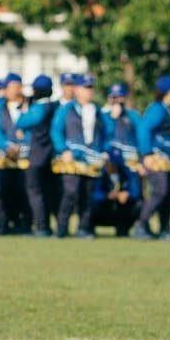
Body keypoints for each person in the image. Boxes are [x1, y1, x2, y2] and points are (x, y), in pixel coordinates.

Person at [52, 75, 107, 238]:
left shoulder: (97, 110)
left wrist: (104, 150)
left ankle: (84, 228)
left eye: (91, 88)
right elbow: (56, 130)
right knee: (70, 192)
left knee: (87, 194)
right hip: (72, 159)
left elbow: (105, 133)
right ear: (77, 89)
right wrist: (63, 150)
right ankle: (61, 228)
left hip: (92, 160)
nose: (89, 91)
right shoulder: (67, 109)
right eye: (85, 88)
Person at [134, 75, 170, 240]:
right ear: (169, 92)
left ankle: (165, 229)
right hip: (156, 158)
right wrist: (146, 154)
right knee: (160, 192)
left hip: (169, 160)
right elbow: (144, 130)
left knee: (168, 194)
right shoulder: (157, 109)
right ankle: (141, 224)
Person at [16, 74, 59, 236]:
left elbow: (21, 122)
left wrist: (26, 107)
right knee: (48, 192)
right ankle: (49, 225)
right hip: (51, 156)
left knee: (35, 192)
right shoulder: (56, 107)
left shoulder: (39, 108)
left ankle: (42, 227)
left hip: (37, 156)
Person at [0, 73, 31, 235]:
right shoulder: (0, 108)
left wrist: (21, 147)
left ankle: (24, 224)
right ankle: (3, 224)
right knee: (3, 193)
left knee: (24, 193)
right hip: (5, 158)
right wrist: (6, 146)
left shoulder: (30, 107)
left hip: (25, 158)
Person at [91, 148, 142, 237]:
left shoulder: (127, 173)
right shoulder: (100, 174)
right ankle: (87, 228)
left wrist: (127, 194)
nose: (114, 166)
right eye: (111, 163)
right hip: (103, 211)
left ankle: (123, 228)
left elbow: (136, 193)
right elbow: (94, 195)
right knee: (89, 204)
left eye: (116, 163)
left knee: (139, 204)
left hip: (120, 210)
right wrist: (106, 196)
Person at [104, 83, 142, 172]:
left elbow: (140, 137)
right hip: (111, 162)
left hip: (131, 161)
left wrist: (141, 159)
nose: (117, 101)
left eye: (119, 97)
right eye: (114, 97)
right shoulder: (104, 116)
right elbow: (104, 137)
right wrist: (113, 119)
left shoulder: (133, 115)